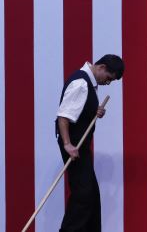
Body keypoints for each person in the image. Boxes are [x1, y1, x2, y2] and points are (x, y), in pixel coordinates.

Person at [55, 54, 124, 232]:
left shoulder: (89, 83)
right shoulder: (81, 83)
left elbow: (79, 111)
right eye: (108, 79)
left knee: (91, 195)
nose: (107, 83)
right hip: (74, 147)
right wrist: (67, 144)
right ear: (101, 67)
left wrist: (95, 111)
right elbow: (63, 116)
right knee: (83, 195)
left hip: (80, 146)